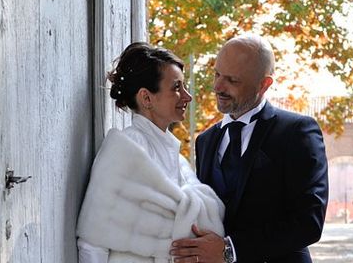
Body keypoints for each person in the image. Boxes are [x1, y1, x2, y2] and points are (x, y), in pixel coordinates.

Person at [170, 34, 328, 263]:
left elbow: (309, 223)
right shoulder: (205, 140)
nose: (217, 87)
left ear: (264, 84)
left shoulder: (297, 132)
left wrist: (229, 249)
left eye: (232, 80)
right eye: (216, 75)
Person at [76, 42, 224, 263]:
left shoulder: (178, 159)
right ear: (146, 98)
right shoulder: (124, 151)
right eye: (176, 88)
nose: (187, 97)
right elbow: (92, 243)